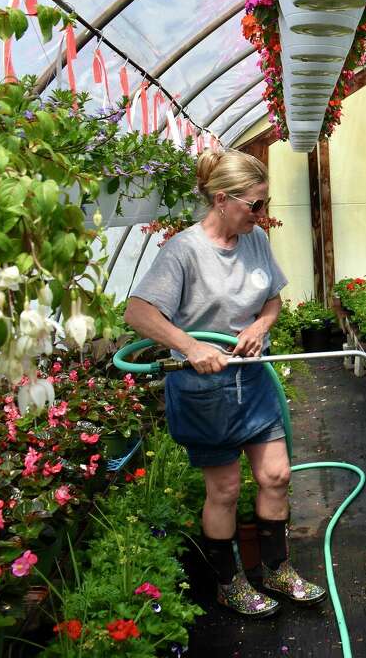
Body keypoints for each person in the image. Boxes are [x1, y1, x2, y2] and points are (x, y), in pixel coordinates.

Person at [124, 149, 325, 617]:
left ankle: (277, 570)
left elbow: (272, 298)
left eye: (265, 202)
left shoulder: (253, 239)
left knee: (276, 476)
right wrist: (191, 347)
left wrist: (259, 326)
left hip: (253, 380)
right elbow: (137, 312)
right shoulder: (183, 251)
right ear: (221, 200)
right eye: (254, 204)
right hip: (205, 391)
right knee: (226, 490)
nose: (262, 213)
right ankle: (228, 582)